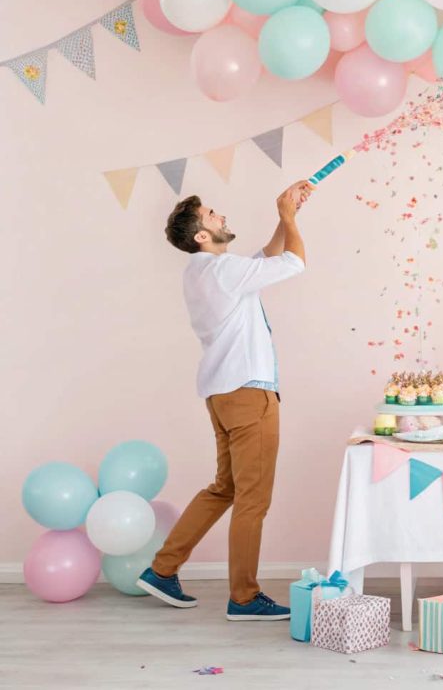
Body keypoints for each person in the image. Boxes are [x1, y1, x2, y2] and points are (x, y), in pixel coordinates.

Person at [136, 180, 314, 621]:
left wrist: (285, 215)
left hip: (221, 393)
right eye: (213, 215)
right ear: (200, 235)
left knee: (226, 489)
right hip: (249, 393)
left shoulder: (204, 272)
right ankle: (244, 597)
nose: (221, 217)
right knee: (253, 498)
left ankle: (162, 570)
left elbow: (267, 259)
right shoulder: (223, 270)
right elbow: (294, 263)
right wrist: (289, 220)